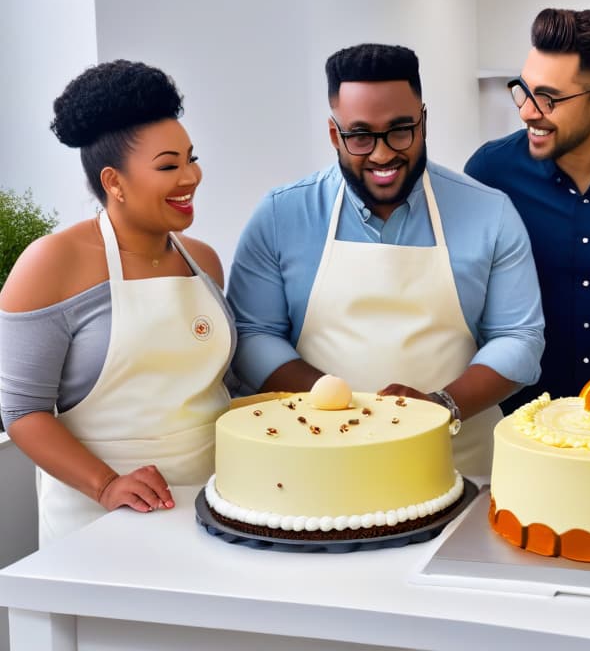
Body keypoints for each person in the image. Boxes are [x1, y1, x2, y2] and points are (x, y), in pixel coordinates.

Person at [227, 43, 544, 477]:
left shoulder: (491, 213)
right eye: (360, 136)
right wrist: (334, 401)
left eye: (400, 131)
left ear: (424, 121)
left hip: (461, 463)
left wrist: (441, 407)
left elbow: (519, 337)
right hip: (318, 458)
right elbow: (252, 334)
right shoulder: (282, 214)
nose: (381, 155)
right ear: (335, 134)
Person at [0, 60, 232, 546]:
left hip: (213, 508)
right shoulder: (50, 264)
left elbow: (212, 388)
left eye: (192, 158)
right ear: (114, 182)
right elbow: (23, 411)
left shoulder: (203, 262)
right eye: (169, 166)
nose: (191, 176)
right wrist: (106, 485)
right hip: (97, 524)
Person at [465, 8, 590, 414]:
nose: (526, 110)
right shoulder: (489, 172)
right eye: (523, 90)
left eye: (548, 99)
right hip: (518, 426)